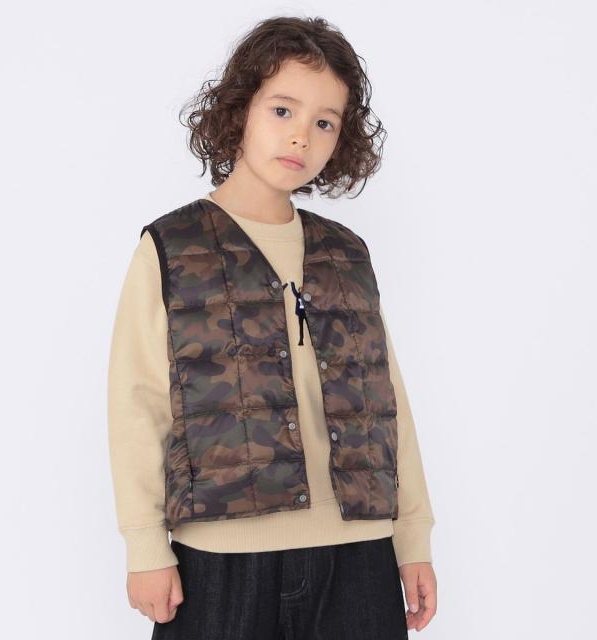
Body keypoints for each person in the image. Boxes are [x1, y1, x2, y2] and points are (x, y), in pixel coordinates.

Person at [107, 15, 437, 639]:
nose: (300, 137)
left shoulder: (346, 254)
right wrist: (145, 544)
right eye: (282, 110)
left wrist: (413, 537)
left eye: (324, 122)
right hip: (221, 560)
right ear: (240, 110)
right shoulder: (173, 248)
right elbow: (138, 403)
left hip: (359, 554)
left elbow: (387, 398)